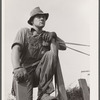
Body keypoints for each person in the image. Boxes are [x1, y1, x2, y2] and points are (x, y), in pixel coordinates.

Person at [11, 7, 66, 100]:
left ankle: (43, 94)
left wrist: (54, 36)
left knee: (50, 54)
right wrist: (17, 68)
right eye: (39, 17)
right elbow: (15, 49)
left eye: (44, 17)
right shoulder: (24, 32)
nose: (42, 19)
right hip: (24, 74)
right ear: (32, 21)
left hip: (40, 74)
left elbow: (64, 46)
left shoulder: (48, 35)